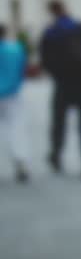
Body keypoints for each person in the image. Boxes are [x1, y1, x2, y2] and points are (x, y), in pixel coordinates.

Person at [39, 0, 81, 179]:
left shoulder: (51, 32)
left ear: (52, 12)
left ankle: (57, 154)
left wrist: (56, 73)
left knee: (59, 122)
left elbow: (44, 58)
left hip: (63, 83)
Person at [0, 22, 29, 183]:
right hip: (12, 94)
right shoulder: (15, 49)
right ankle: (21, 162)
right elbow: (22, 69)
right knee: (17, 129)